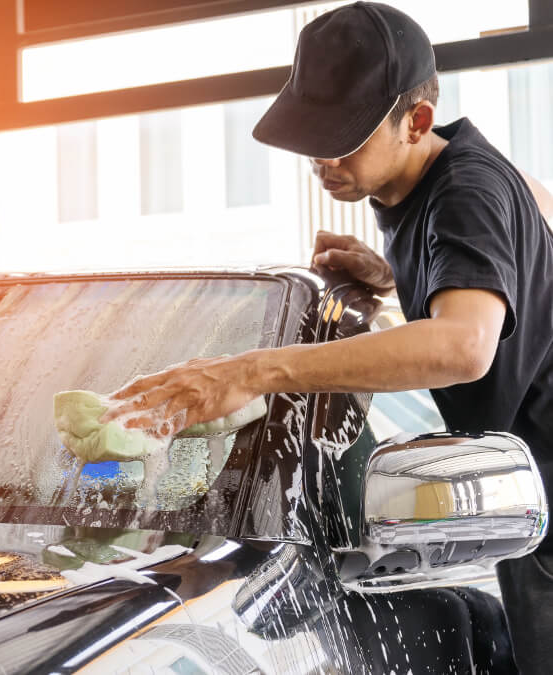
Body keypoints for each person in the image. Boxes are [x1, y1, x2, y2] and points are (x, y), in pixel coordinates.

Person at [101, 2, 553, 671]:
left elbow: (465, 346)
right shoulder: (442, 180)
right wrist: (403, 282)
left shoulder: (466, 190)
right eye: (311, 132)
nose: (318, 156)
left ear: (416, 121)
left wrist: (252, 371)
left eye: (342, 137)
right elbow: (533, 230)